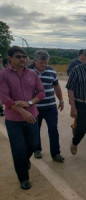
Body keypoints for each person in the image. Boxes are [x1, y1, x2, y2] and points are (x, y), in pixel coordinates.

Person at [0, 46, 45, 190]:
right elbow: (4, 97)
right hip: (14, 120)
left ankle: (24, 161)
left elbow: (41, 92)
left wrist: (29, 103)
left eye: (24, 56)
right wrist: (22, 111)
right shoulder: (3, 75)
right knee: (18, 149)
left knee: (33, 144)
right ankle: (23, 178)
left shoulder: (33, 74)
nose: (22, 59)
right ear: (10, 59)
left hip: (32, 116)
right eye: (18, 56)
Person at [29, 50, 65, 162]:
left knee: (53, 130)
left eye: (46, 63)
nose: (44, 65)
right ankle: (37, 149)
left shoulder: (51, 71)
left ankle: (56, 154)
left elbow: (56, 87)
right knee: (35, 130)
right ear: (35, 61)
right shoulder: (28, 72)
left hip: (50, 107)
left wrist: (61, 100)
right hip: (35, 108)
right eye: (41, 63)